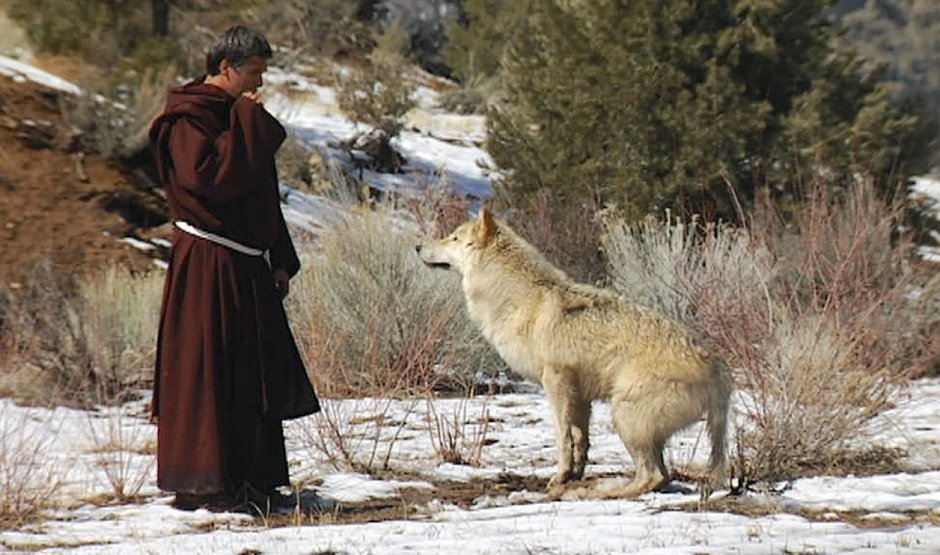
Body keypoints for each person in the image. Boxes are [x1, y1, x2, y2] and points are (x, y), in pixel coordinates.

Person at [149, 25, 320, 513]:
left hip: (247, 265)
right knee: (208, 369)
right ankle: (206, 483)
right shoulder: (188, 119)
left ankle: (252, 479)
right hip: (205, 264)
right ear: (226, 68)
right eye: (252, 73)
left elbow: (260, 194)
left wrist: (280, 257)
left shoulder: (235, 116)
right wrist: (247, 121)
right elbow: (209, 181)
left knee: (251, 374)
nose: (257, 85)